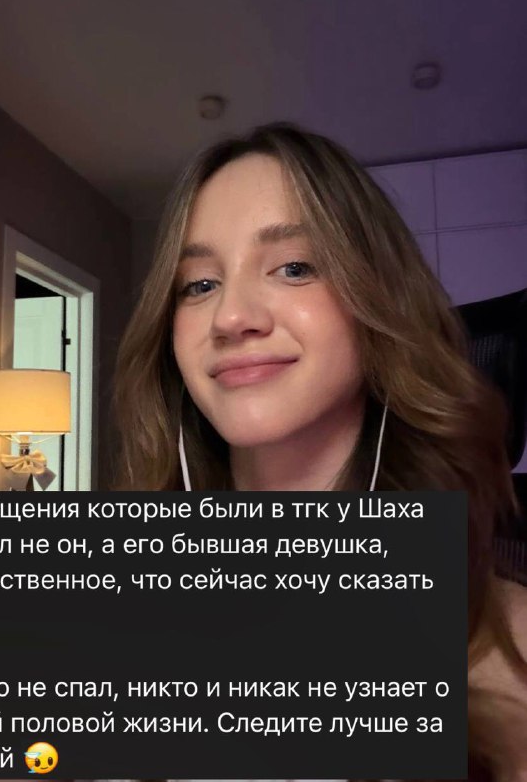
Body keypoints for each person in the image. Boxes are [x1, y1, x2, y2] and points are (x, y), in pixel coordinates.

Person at [114, 123, 527, 782]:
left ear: (377, 302)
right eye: (198, 285)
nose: (230, 317)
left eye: (294, 268)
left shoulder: (506, 650)